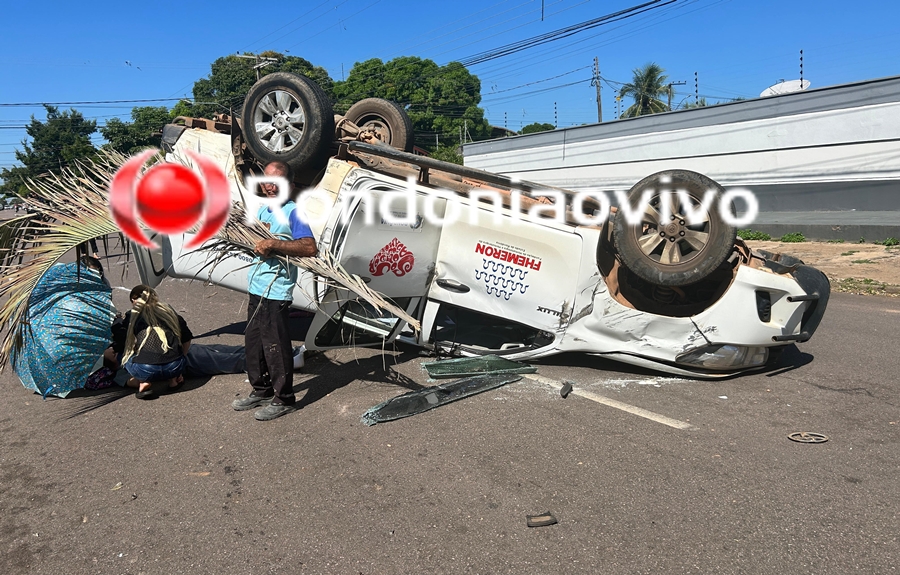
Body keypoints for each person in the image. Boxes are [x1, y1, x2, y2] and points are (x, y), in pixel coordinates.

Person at [232, 161, 317, 421]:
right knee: (254, 344)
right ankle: (261, 389)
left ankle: (284, 399)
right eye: (267, 180)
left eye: (277, 181)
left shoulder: (294, 212)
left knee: (276, 347)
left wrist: (274, 244)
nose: (270, 186)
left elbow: (309, 247)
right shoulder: (265, 211)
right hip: (257, 288)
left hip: (276, 291)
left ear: (290, 186)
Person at [112, 285, 193, 399]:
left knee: (122, 355)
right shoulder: (168, 311)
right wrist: (182, 360)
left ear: (134, 301)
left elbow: (122, 342)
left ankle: (142, 382)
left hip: (145, 369)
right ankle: (173, 380)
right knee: (168, 355)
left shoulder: (132, 315)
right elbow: (186, 338)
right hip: (175, 365)